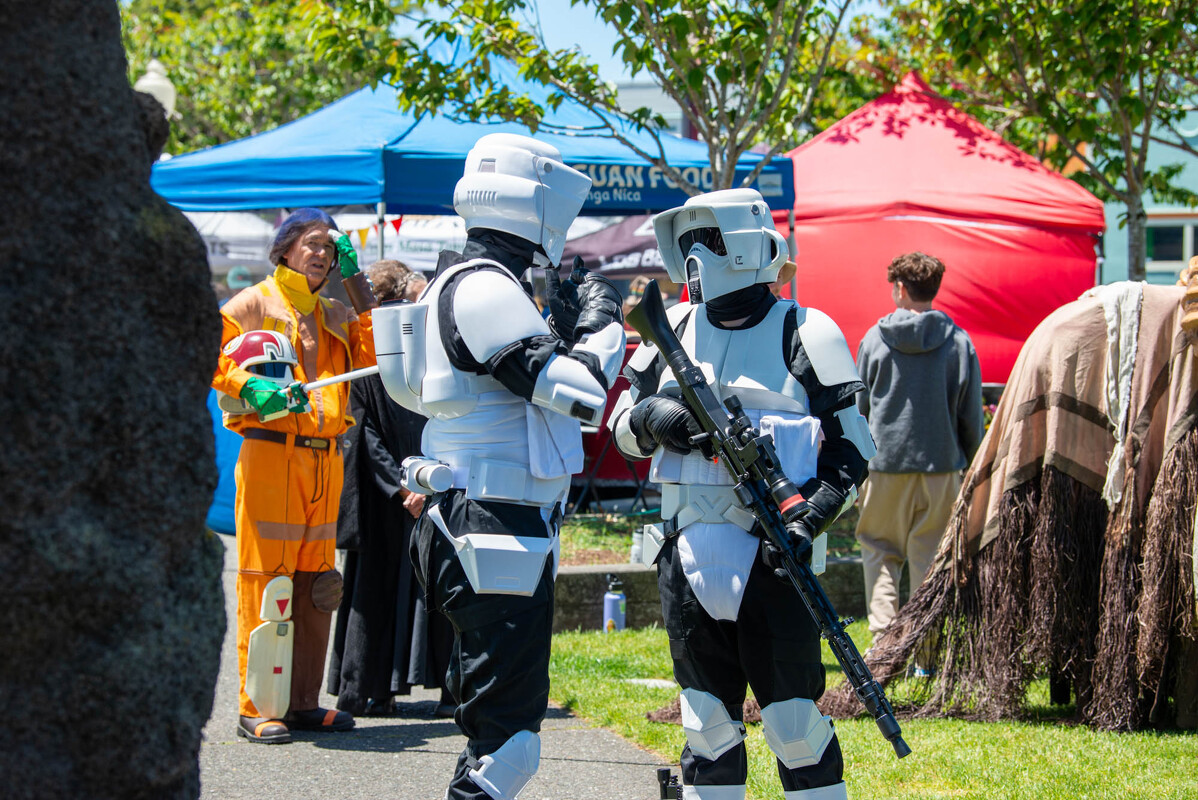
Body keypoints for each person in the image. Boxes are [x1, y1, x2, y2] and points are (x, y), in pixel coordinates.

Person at [374, 132, 625, 800]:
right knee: (510, 744)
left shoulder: (466, 282)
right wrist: (604, 330)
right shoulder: (485, 287)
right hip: (492, 520)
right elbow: (580, 396)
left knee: (493, 732)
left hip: (480, 517)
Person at [609, 188, 874, 800]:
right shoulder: (669, 327)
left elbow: (852, 448)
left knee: (796, 728)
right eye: (690, 241)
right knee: (706, 728)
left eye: (711, 240)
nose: (698, 256)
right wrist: (654, 419)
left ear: (751, 245)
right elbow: (623, 429)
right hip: (687, 554)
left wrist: (812, 515)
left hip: (775, 557)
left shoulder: (805, 331)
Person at [211, 208, 378, 744]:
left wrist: (356, 283)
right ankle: (256, 705)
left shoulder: (334, 311)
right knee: (268, 580)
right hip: (271, 452)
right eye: (311, 242)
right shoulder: (252, 302)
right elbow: (208, 353)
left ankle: (304, 703)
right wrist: (245, 385)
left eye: (330, 245)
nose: (322, 252)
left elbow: (381, 354)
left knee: (316, 584)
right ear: (284, 248)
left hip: (326, 456)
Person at [327, 259, 453, 718]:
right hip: (390, 498)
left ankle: (445, 690)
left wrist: (424, 481)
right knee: (377, 592)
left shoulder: (429, 358)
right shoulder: (366, 361)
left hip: (426, 487)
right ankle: (368, 689)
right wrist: (404, 487)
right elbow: (363, 437)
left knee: (437, 593)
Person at [853, 251, 983, 642]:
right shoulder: (959, 342)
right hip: (941, 468)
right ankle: (924, 652)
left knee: (879, 551)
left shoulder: (875, 340)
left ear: (900, 288)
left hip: (884, 466)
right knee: (930, 560)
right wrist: (972, 465)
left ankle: (882, 646)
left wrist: (856, 467)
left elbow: (859, 409)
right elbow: (970, 415)